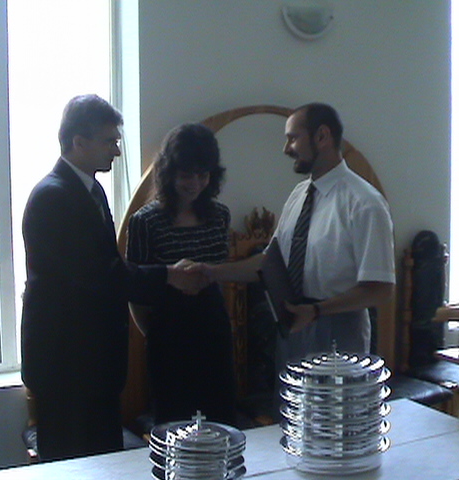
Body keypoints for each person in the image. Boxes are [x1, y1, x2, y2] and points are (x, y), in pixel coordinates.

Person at [21, 94, 203, 461]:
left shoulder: (89, 190)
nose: (117, 152)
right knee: (74, 466)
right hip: (66, 366)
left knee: (103, 463)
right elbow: (99, 276)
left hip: (91, 365)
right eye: (109, 142)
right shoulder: (53, 197)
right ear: (79, 142)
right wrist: (168, 276)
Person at [195, 102, 395, 368]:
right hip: (292, 326)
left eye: (292, 138)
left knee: (333, 398)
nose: (286, 149)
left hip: (340, 331)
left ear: (322, 136)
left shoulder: (365, 203)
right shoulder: (299, 195)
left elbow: (380, 289)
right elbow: (270, 263)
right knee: (290, 396)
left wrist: (316, 311)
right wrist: (209, 272)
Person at [126, 123, 237, 426]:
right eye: (187, 175)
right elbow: (136, 290)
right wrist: (154, 334)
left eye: (203, 175)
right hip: (168, 333)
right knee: (173, 423)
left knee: (220, 419)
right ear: (170, 172)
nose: (195, 183)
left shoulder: (219, 216)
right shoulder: (145, 221)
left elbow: (222, 279)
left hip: (213, 329)